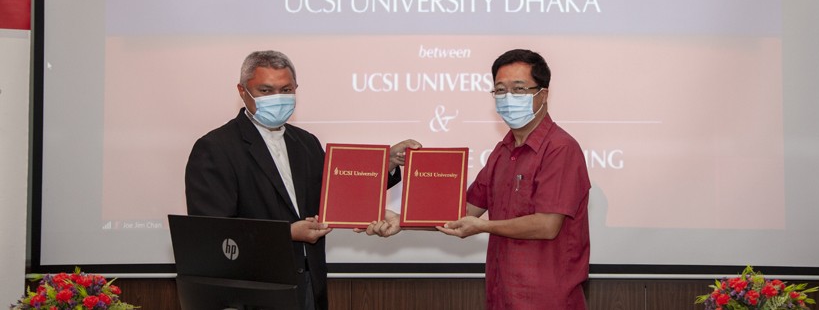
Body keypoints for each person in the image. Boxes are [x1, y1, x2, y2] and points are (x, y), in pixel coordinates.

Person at [185, 50, 420, 310]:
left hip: (309, 284)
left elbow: (334, 194)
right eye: (266, 90)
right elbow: (212, 235)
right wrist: (288, 234)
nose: (278, 98)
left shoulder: (305, 142)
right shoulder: (215, 148)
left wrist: (385, 162)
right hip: (250, 293)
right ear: (242, 91)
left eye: (286, 90)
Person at [366, 49, 591, 309]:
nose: (508, 98)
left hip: (547, 300)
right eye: (500, 90)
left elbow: (547, 225)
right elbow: (462, 211)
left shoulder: (560, 148)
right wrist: (402, 221)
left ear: (543, 94)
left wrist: (483, 226)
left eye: (519, 89)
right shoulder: (502, 152)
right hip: (502, 296)